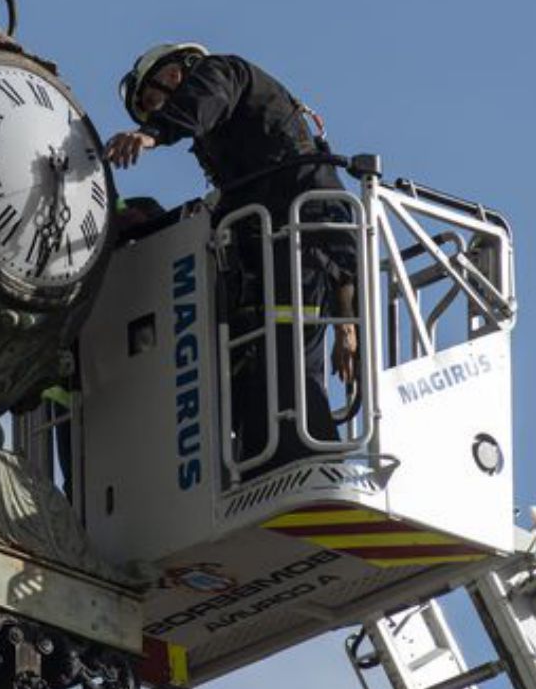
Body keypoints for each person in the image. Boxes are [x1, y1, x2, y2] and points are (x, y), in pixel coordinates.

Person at [104, 44, 358, 471]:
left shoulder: (223, 72)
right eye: (150, 112)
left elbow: (205, 98)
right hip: (275, 248)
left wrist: (154, 134)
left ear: (176, 69)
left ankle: (311, 467)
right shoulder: (233, 158)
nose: (160, 109)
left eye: (155, 99)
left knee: (288, 358)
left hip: (300, 241)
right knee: (254, 360)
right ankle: (260, 464)